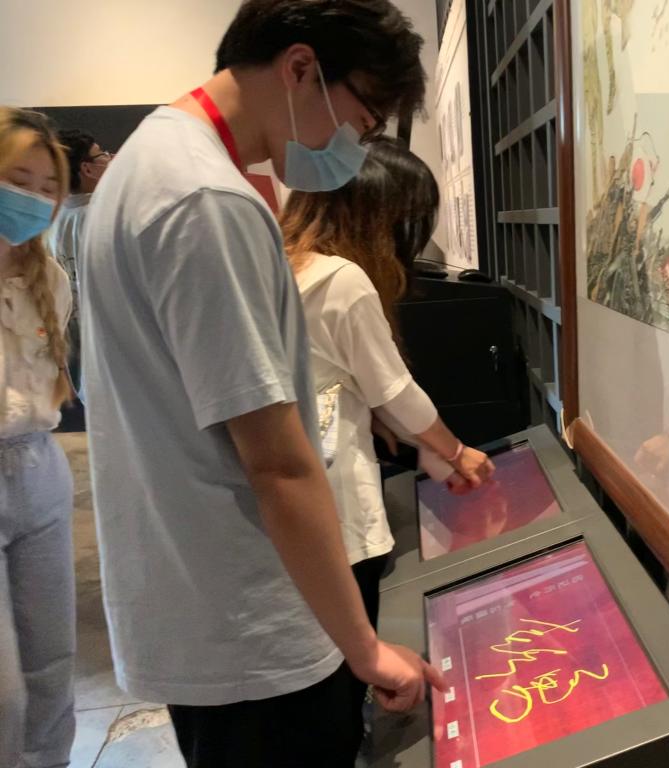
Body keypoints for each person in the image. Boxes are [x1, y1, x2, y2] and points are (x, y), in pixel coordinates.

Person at [78, 2, 442, 766]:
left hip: (197, 601)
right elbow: (276, 462)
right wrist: (365, 647)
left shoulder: (148, 160)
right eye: (363, 120)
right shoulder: (207, 201)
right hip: (249, 623)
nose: (357, 146)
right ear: (301, 68)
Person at [279, 136, 495, 623]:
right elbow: (396, 392)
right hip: (334, 494)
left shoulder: (286, 262)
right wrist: (456, 452)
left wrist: (423, 450)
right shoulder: (341, 279)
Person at [0, 107, 76, 768]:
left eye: (48, 187)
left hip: (40, 469)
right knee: (3, 692)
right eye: (18, 181)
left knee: (52, 664)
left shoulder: (50, 279)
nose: (34, 198)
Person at [49, 129, 113, 398]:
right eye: (102, 155)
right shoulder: (105, 215)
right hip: (107, 340)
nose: (109, 158)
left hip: (73, 341)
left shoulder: (54, 216)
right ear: (87, 168)